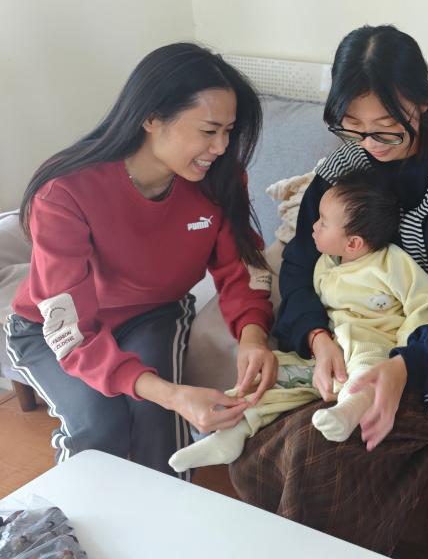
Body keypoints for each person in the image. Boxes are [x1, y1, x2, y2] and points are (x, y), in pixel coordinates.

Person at [230, 24, 428, 555]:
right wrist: (317, 338)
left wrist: (405, 366)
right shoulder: (340, 172)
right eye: (353, 129)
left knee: (315, 448)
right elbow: (299, 265)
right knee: (255, 430)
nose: (369, 145)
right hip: (343, 344)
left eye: (387, 129)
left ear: (424, 104)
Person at [6, 43, 277, 479]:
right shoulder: (65, 191)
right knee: (100, 427)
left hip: (153, 315)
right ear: (151, 117)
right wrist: (172, 394)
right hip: (53, 331)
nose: (221, 146)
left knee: (159, 431)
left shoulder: (221, 179)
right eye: (209, 131)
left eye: (229, 131)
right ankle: (72, 521)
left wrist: (253, 336)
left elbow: (242, 266)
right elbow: (71, 329)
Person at [168, 171, 428, 472]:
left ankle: (350, 409)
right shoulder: (325, 265)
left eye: (323, 222)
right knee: (274, 377)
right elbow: (308, 305)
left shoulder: (390, 262)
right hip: (327, 356)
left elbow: (426, 304)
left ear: (353, 243)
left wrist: (404, 351)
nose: (313, 225)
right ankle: (232, 434)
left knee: (365, 359)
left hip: (374, 346)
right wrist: (319, 341)